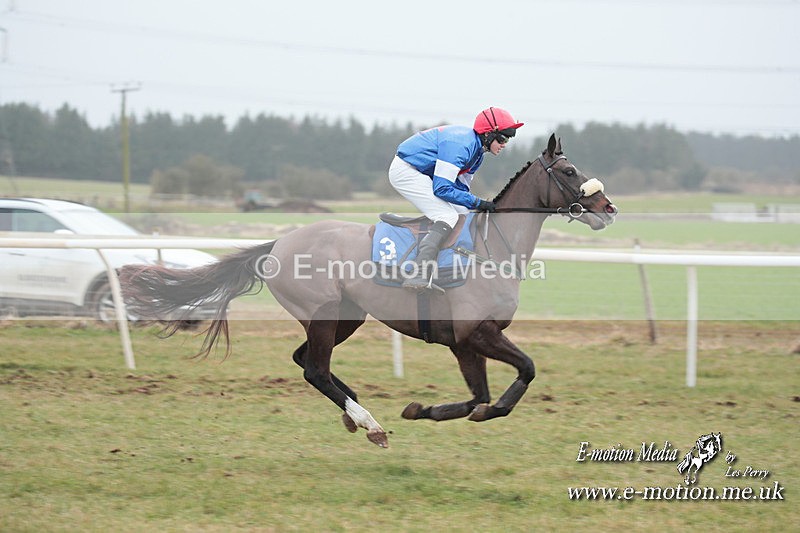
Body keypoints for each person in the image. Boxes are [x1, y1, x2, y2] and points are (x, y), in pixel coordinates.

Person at [388, 106, 524, 291]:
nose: (505, 144)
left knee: (463, 213)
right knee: (447, 216)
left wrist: (477, 206)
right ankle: (418, 274)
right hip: (406, 171)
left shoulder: (477, 154)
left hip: (423, 173)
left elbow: (461, 190)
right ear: (488, 134)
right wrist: (479, 202)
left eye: (508, 139)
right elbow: (442, 189)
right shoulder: (461, 146)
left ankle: (447, 268)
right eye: (502, 138)